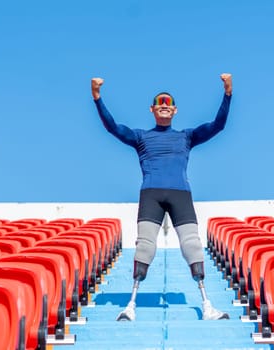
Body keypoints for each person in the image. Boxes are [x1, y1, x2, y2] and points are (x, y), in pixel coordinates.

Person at [91, 73, 233, 321]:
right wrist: (97, 98)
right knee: (145, 246)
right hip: (151, 194)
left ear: (175, 110)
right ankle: (130, 306)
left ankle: (207, 305)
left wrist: (228, 94)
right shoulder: (141, 137)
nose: (164, 105)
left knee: (192, 245)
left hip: (181, 195)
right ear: (152, 109)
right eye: (160, 103)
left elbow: (217, 125)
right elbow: (113, 128)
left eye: (169, 103)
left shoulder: (186, 137)